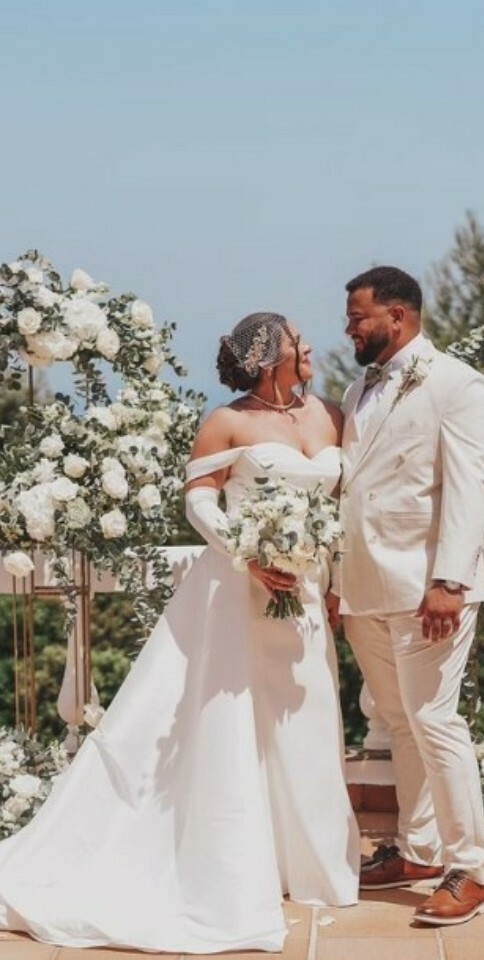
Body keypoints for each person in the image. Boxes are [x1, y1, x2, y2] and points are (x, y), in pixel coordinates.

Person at [0, 312, 360, 954]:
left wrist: (328, 578)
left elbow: (341, 503)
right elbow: (199, 498)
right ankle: (227, 861)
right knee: (231, 720)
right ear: (271, 355)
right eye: (298, 342)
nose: (310, 348)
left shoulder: (332, 412)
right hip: (238, 589)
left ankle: (307, 863)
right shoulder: (228, 420)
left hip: (303, 592)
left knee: (305, 717)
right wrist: (246, 551)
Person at [336, 266, 484, 926]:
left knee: (435, 721)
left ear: (397, 317)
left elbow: (470, 486)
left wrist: (450, 581)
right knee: (401, 722)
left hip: (429, 588)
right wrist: (331, 582)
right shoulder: (355, 390)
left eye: (358, 317)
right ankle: (421, 850)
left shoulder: (459, 384)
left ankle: (471, 869)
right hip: (364, 587)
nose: (348, 327)